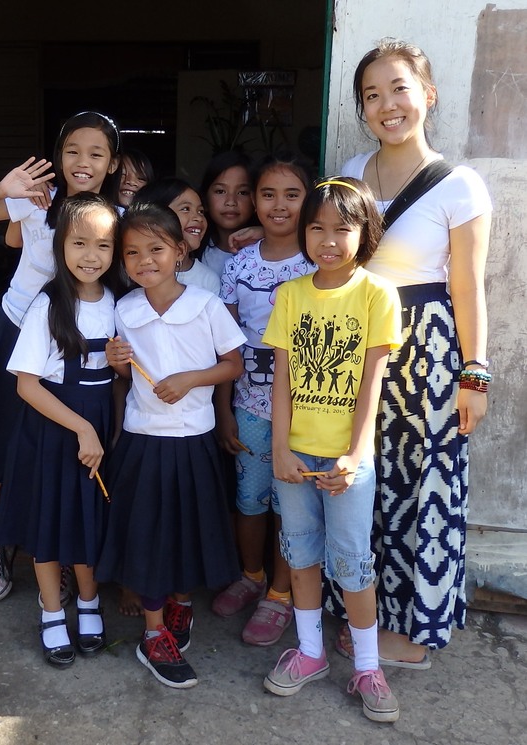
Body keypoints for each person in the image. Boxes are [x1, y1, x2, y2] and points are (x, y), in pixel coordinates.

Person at [333, 39, 492, 666]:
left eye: (399, 88)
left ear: (427, 94)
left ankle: (412, 633)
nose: (387, 105)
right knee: (362, 487)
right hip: (356, 345)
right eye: (372, 95)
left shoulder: (461, 185)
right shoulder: (350, 168)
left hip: (426, 356)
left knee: (420, 491)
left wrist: (474, 374)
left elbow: (468, 287)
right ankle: (359, 616)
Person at [0, 111, 121, 603]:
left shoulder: (117, 219)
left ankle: (63, 553)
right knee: (2, 436)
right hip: (19, 328)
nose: (82, 162)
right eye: (72, 151)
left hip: (75, 343)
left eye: (96, 153)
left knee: (62, 445)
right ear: (58, 155)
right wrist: (3, 187)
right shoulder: (35, 200)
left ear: (112, 164)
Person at [262, 177, 402, 723]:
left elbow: (374, 382)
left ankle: (368, 667)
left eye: (342, 229)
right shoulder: (291, 294)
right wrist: (278, 450)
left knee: (352, 562)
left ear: (365, 233)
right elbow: (281, 381)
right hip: (295, 457)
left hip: (348, 462)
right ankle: (311, 652)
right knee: (301, 554)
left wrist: (355, 455)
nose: (327, 239)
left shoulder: (376, 294)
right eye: (316, 227)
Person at [98, 203, 246, 688]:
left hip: (194, 438)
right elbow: (127, 375)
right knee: (148, 534)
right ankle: (153, 632)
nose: (145, 261)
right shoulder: (126, 308)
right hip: (144, 441)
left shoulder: (205, 304)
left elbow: (233, 364)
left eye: (156, 249)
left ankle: (181, 607)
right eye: (133, 253)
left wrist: (190, 379)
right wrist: (116, 359)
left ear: (180, 252)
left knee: (188, 530)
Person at [0, 193, 119, 668]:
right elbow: (26, 385)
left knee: (89, 522)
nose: (91, 256)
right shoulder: (47, 306)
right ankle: (50, 611)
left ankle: (88, 603)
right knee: (48, 524)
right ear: (61, 245)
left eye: (103, 246)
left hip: (99, 432)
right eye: (79, 243)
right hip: (51, 432)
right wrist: (83, 428)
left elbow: (121, 376)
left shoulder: (119, 303)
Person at [212, 151, 315, 646]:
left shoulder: (321, 260)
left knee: (290, 504)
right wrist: (223, 411)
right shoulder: (239, 263)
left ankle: (280, 593)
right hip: (249, 406)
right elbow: (228, 343)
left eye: (292, 195)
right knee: (249, 500)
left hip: (307, 412)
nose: (278, 205)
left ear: (309, 199)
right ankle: (251, 574)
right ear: (254, 200)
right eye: (267, 194)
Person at [134, 178, 220, 294]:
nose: (198, 218)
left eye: (201, 211)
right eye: (185, 209)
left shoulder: (208, 279)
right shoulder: (139, 269)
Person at [198, 150, 256, 278]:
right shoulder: (192, 249)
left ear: (256, 201)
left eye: (242, 192)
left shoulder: (267, 249)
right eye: (220, 191)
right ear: (205, 199)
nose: (231, 201)